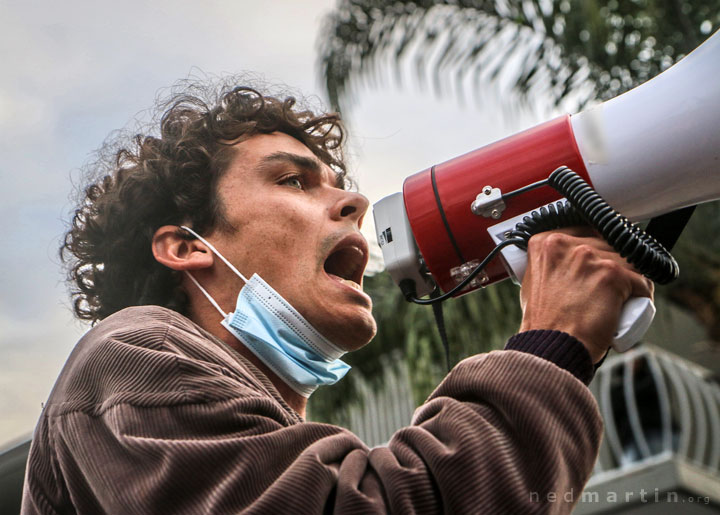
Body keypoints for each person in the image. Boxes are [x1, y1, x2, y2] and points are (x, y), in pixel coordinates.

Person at [22, 82, 653, 514]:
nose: (352, 204)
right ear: (187, 248)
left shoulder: (253, 428)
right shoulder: (133, 354)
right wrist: (553, 347)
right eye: (292, 180)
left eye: (340, 185)